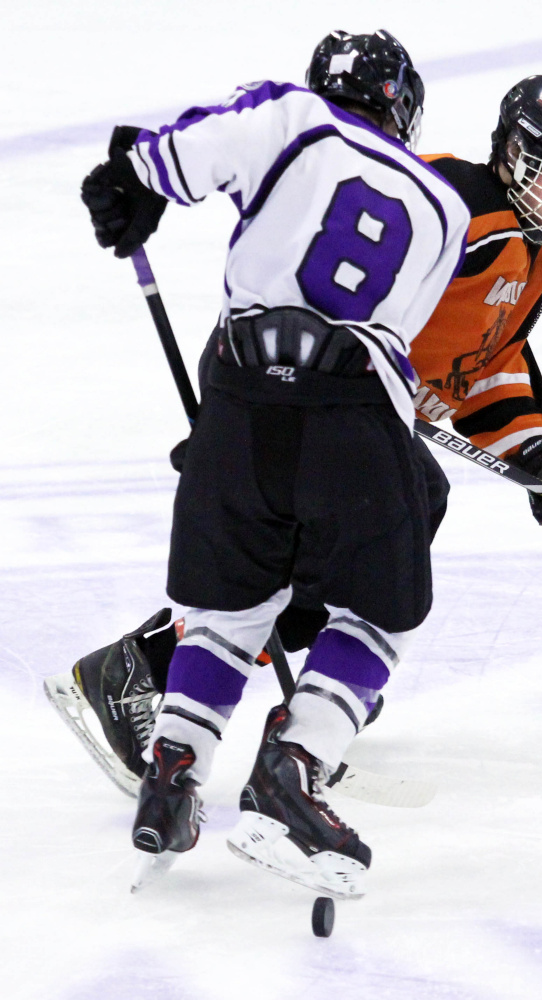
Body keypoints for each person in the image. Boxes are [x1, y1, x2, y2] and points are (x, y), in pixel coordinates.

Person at [48, 71, 542, 887]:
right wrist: (237, 407)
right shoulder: (455, 200)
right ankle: (153, 667)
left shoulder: (534, 257)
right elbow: (309, 280)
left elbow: (487, 371)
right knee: (373, 535)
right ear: (512, 152)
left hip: (346, 413)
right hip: (318, 402)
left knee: (403, 511)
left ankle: (230, 693)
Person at [72, 28, 471, 897]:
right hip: (356, 419)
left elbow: (165, 156)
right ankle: (296, 765)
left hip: (239, 407)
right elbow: (393, 337)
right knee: (375, 617)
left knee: (227, 611)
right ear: (403, 108)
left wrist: (126, 187)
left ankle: (173, 772)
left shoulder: (288, 115)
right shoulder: (444, 208)